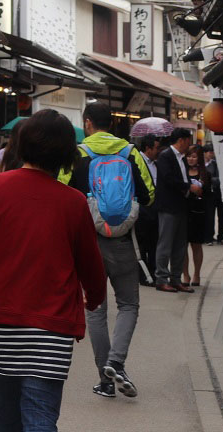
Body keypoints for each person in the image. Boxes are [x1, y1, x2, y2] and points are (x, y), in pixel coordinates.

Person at [0, 110, 107, 432]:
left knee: (7, 410)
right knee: (40, 416)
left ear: (21, 145)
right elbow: (91, 264)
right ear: (66, 154)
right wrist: (94, 297)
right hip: (51, 327)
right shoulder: (73, 202)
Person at [63, 103, 152, 401]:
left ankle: (106, 379)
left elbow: (60, 193)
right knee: (128, 305)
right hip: (124, 240)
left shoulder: (78, 155)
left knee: (96, 308)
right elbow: (149, 194)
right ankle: (117, 361)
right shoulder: (129, 152)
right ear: (112, 123)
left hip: (88, 243)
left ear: (87, 123)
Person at [154, 129, 201, 294]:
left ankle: (176, 278)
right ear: (181, 140)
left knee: (180, 245)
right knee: (165, 244)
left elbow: (182, 178)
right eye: (188, 141)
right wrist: (189, 187)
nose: (189, 145)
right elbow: (168, 179)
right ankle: (161, 278)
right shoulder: (165, 156)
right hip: (168, 206)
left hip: (181, 205)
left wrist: (190, 187)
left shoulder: (181, 158)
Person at [184, 147, 214, 286]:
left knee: (196, 245)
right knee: (182, 246)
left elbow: (209, 197)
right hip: (183, 212)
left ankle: (197, 274)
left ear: (199, 158)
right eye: (189, 156)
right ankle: (185, 275)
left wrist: (201, 190)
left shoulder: (205, 174)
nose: (191, 159)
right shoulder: (182, 172)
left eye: (194, 156)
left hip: (198, 214)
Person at [134, 135, 160, 284]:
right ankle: (143, 275)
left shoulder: (156, 163)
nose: (158, 151)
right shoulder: (137, 161)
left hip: (155, 207)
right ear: (148, 148)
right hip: (143, 208)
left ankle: (153, 272)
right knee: (142, 243)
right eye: (156, 148)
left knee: (154, 242)